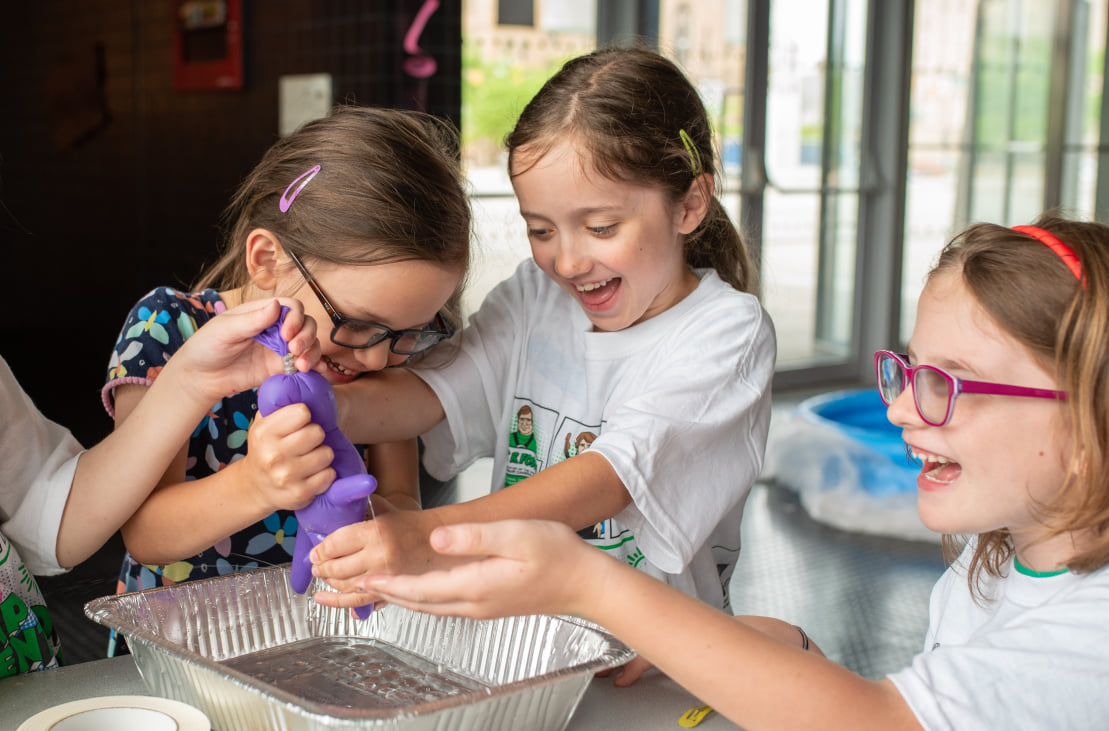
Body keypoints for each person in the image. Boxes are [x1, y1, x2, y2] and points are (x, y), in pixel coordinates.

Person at [323, 214, 1109, 731]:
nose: (903, 407)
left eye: (953, 383)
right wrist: (789, 652)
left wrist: (589, 584)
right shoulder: (1001, 565)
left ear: (1108, 431)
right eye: (908, 371)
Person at [310, 47, 777, 673]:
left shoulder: (728, 331)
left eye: (601, 227)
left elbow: (611, 477)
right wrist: (313, 399)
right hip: (526, 651)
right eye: (541, 229)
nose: (567, 262)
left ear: (689, 205)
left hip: (655, 665)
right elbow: (422, 399)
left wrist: (429, 536)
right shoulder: (535, 297)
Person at [101, 106, 471, 654]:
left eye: (412, 333)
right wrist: (256, 485)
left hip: (314, 642)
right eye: (360, 324)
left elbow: (398, 496)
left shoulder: (383, 360)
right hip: (181, 650)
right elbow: (146, 533)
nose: (377, 359)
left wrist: (383, 527)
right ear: (267, 260)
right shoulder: (169, 330)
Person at [2, 298, 320, 676]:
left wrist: (193, 381)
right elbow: (146, 533)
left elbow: (45, 512)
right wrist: (254, 486)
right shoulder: (165, 321)